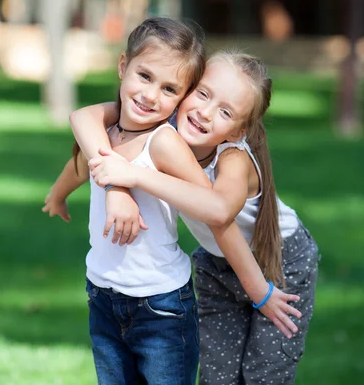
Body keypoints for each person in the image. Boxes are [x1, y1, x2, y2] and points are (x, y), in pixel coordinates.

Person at [86, 51, 320, 385]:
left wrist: (133, 177)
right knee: (217, 376)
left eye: (225, 112)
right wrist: (97, 189)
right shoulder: (160, 128)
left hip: (281, 262)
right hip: (216, 264)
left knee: (264, 374)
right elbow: (88, 119)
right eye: (203, 94)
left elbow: (219, 211)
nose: (205, 113)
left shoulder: (234, 158)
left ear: (237, 132)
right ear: (186, 89)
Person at [44, 16, 210, 385]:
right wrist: (58, 194)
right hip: (103, 295)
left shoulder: (163, 143)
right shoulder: (105, 134)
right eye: (145, 76)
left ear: (182, 99)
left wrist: (134, 180)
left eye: (170, 89)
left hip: (161, 306)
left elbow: (207, 202)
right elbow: (84, 166)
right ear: (123, 66)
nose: (151, 95)